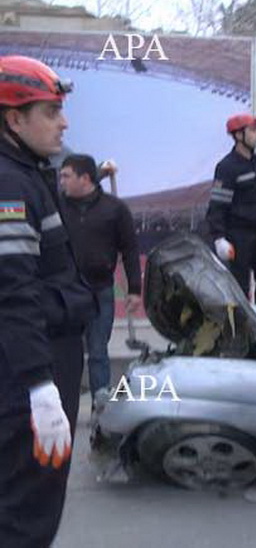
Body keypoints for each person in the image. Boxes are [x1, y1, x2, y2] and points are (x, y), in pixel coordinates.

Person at [0, 55, 97, 546]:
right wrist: (40, 389)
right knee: (25, 517)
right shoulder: (9, 186)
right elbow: (12, 295)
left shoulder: (30, 174)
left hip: (38, 367)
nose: (63, 122)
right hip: (26, 384)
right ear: (13, 120)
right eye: (50, 111)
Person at [59, 153, 141, 403]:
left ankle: (101, 408)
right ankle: (64, 405)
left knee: (97, 352)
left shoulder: (114, 209)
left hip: (100, 290)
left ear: (84, 179)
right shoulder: (57, 206)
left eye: (66, 176)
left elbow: (129, 250)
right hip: (65, 292)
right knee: (65, 353)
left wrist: (134, 290)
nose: (60, 181)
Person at [205, 113, 256, 308]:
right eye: (253, 130)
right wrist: (219, 238)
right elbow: (217, 206)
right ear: (239, 135)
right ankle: (241, 332)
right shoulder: (226, 168)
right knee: (238, 289)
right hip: (239, 236)